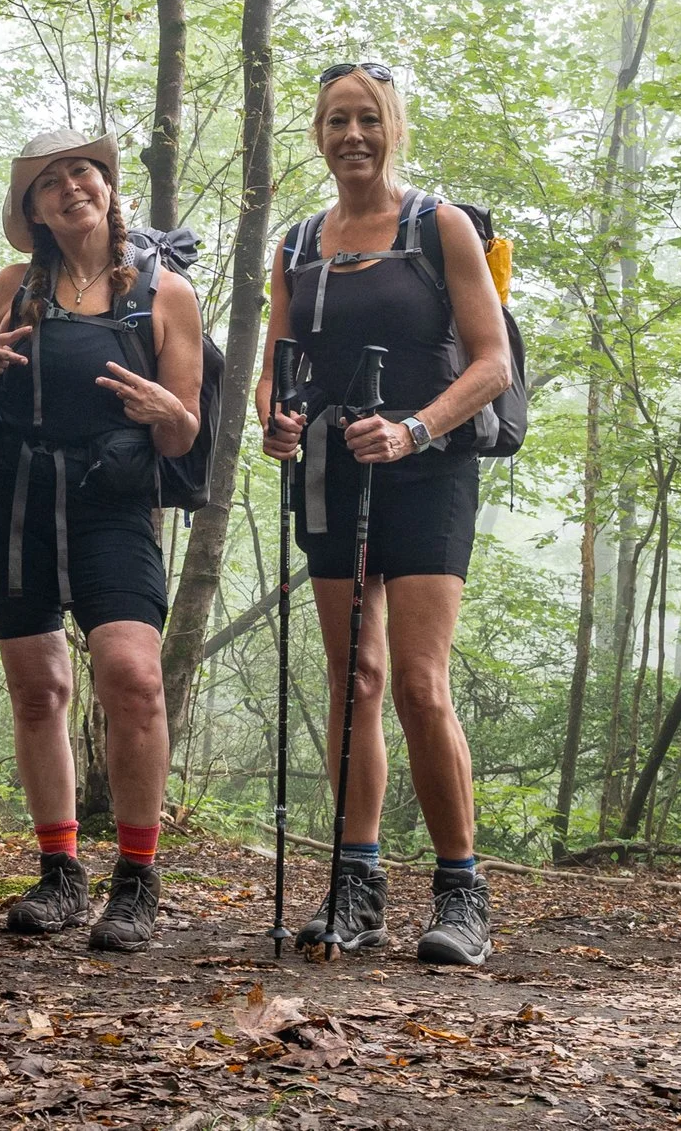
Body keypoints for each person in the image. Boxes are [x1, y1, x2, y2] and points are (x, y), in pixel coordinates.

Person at [258, 62, 512, 966]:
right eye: (336, 121)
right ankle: (356, 886)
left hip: (427, 468)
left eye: (368, 118)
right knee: (350, 681)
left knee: (416, 681)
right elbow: (277, 364)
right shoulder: (296, 244)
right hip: (333, 471)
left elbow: (491, 364)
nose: (352, 135)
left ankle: (461, 891)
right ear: (317, 134)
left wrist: (413, 429)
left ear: (391, 126)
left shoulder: (436, 225)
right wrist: (276, 417)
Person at [0, 130, 204, 953]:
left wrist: (167, 415)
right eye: (51, 181)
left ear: (108, 186)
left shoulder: (165, 293)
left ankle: (137, 878)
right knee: (38, 691)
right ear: (31, 210)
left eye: (84, 172)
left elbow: (186, 438)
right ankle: (60, 870)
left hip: (113, 506)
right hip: (14, 504)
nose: (73, 187)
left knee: (133, 679)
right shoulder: (12, 287)